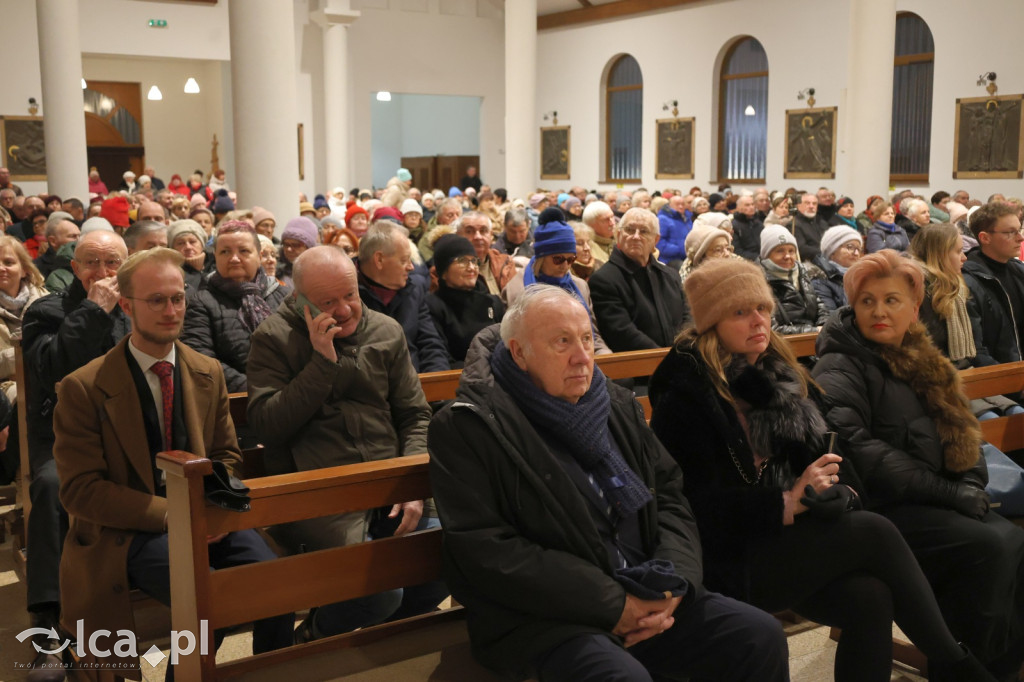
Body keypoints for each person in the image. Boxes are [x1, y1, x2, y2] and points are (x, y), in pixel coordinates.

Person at [648, 258, 996, 682]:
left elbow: (834, 458)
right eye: (740, 312)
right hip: (728, 557)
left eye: (762, 308)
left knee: (871, 595)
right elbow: (691, 508)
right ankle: (960, 667)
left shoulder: (778, 376)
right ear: (710, 324)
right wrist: (785, 502)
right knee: (875, 531)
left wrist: (837, 494)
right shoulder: (686, 398)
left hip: (785, 539)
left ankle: (957, 665)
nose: (758, 321)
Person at [427, 285, 790, 682]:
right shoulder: (471, 425)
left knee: (760, 636)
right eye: (562, 342)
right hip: (548, 619)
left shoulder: (614, 404)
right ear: (519, 353)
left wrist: (675, 585)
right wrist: (614, 605)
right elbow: (487, 549)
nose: (583, 357)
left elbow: (669, 496)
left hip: (650, 587)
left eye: (585, 338)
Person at [52, 248, 294, 673]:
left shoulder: (206, 370)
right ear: (126, 306)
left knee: (273, 586)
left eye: (178, 298)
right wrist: (175, 516)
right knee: (204, 597)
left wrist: (212, 504)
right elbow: (79, 490)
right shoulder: (83, 387)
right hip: (129, 528)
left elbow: (225, 455)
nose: (171, 310)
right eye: (157, 300)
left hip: (202, 512)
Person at [812, 250, 1024, 678]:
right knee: (990, 546)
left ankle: (1001, 665)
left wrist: (968, 480)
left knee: (1013, 544)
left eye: (892, 300)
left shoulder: (923, 356)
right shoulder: (840, 361)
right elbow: (856, 448)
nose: (879, 311)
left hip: (928, 496)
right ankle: (966, 668)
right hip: (880, 507)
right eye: (867, 301)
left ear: (914, 308)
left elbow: (961, 427)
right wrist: (948, 492)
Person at [247, 245, 444, 641]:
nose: (344, 310)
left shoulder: (385, 331)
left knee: (448, 560)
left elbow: (415, 415)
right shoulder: (274, 338)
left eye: (350, 296)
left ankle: (372, 644)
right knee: (379, 590)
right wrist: (321, 363)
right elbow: (267, 427)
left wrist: (412, 485)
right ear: (298, 298)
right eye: (327, 302)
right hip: (318, 493)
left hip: (390, 481)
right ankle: (314, 639)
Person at [20, 230, 131, 677]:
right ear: (73, 266)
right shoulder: (46, 310)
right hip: (64, 434)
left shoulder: (138, 305)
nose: (102, 273)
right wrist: (94, 311)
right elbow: (53, 374)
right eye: (91, 262)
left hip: (128, 433)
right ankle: (48, 626)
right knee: (50, 485)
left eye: (112, 263)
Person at [181, 221, 290, 393]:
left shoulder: (283, 294)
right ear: (215, 256)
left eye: (244, 251)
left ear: (259, 256)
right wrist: (257, 390)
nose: (234, 258)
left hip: (293, 394)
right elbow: (201, 358)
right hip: (239, 400)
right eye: (225, 252)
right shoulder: (201, 302)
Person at [502, 220, 609, 355]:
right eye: (558, 259)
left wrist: (604, 354)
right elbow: (517, 343)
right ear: (542, 257)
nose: (565, 265)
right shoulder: (517, 289)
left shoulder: (580, 286)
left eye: (570, 260)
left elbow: (592, 335)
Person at [357, 222, 450, 372]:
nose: (411, 267)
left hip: (416, 384)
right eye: (404, 260)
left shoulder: (414, 288)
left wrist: (437, 386)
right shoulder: (347, 293)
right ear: (379, 260)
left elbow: (430, 344)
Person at [590, 208, 687, 351]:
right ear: (618, 234)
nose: (636, 236)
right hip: (638, 367)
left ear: (656, 240)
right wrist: (667, 361)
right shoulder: (603, 279)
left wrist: (684, 351)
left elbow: (688, 316)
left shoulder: (670, 275)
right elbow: (622, 332)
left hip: (681, 358)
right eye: (629, 230)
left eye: (644, 231)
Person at [426, 234, 505, 366]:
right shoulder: (433, 305)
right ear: (444, 272)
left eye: (474, 261)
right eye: (462, 261)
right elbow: (440, 356)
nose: (471, 268)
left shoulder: (493, 302)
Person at [962, 202, 1024, 364]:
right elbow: (976, 350)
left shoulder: (1018, 270)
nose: (1020, 238)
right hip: (1004, 378)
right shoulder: (968, 282)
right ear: (985, 238)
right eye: (1011, 232)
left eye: (1020, 229)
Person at [758, 226, 828, 334]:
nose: (787, 256)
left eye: (791, 251)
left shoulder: (802, 272)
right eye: (780, 251)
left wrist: (824, 325)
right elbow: (772, 329)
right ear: (766, 255)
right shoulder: (759, 281)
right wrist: (813, 331)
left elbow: (819, 305)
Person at [455, 211, 516, 295]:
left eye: (483, 231)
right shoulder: (450, 270)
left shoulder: (505, 262)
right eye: (469, 231)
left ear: (491, 235)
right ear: (458, 236)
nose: (478, 237)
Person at [810, 225, 862, 312]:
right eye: (850, 247)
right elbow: (830, 319)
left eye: (859, 249)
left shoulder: (861, 277)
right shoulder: (820, 280)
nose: (856, 253)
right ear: (832, 251)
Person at [168, 219, 213, 291]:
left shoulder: (217, 265)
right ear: (173, 248)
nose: (188, 247)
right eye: (180, 243)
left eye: (192, 242)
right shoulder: (171, 275)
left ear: (202, 244)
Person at [277, 216, 318, 286]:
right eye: (286, 244)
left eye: (295, 245)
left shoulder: (320, 272)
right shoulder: (276, 272)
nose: (289, 249)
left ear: (309, 247)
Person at [656, 193, 693, 267]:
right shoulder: (662, 219)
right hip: (670, 259)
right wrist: (680, 250)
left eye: (683, 204)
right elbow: (659, 243)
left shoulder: (687, 218)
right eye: (677, 204)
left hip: (687, 255)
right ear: (670, 205)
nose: (681, 206)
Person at [794, 192, 831, 262]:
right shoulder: (794, 224)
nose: (811, 206)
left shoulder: (822, 222)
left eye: (814, 204)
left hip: (827, 259)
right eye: (807, 203)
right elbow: (801, 249)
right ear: (798, 206)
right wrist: (825, 252)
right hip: (810, 262)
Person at [581, 200, 616, 268]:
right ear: (591, 226)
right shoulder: (586, 249)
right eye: (605, 220)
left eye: (612, 217)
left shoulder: (621, 240)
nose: (612, 223)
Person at [731, 195, 765, 261]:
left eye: (752, 204)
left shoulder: (758, 223)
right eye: (747, 205)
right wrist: (759, 258)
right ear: (738, 208)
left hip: (762, 258)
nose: (751, 207)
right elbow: (737, 251)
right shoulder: (734, 226)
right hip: (746, 261)